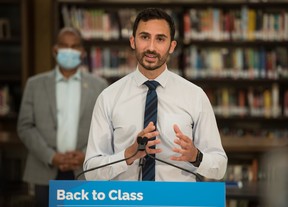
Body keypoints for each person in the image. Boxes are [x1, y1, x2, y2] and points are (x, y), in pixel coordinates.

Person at [84, 8, 227, 181]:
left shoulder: (195, 96)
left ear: (172, 46)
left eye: (160, 39)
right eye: (144, 37)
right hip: (127, 200)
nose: (151, 47)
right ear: (133, 41)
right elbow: (91, 172)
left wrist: (196, 156)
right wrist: (128, 155)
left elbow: (219, 167)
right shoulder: (108, 97)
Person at [17, 27, 108, 207]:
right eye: (64, 46)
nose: (69, 50)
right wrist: (51, 156)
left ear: (82, 52)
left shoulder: (99, 86)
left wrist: (85, 154)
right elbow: (25, 127)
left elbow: (105, 129)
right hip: (44, 169)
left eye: (74, 46)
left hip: (84, 168)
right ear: (55, 50)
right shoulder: (34, 84)